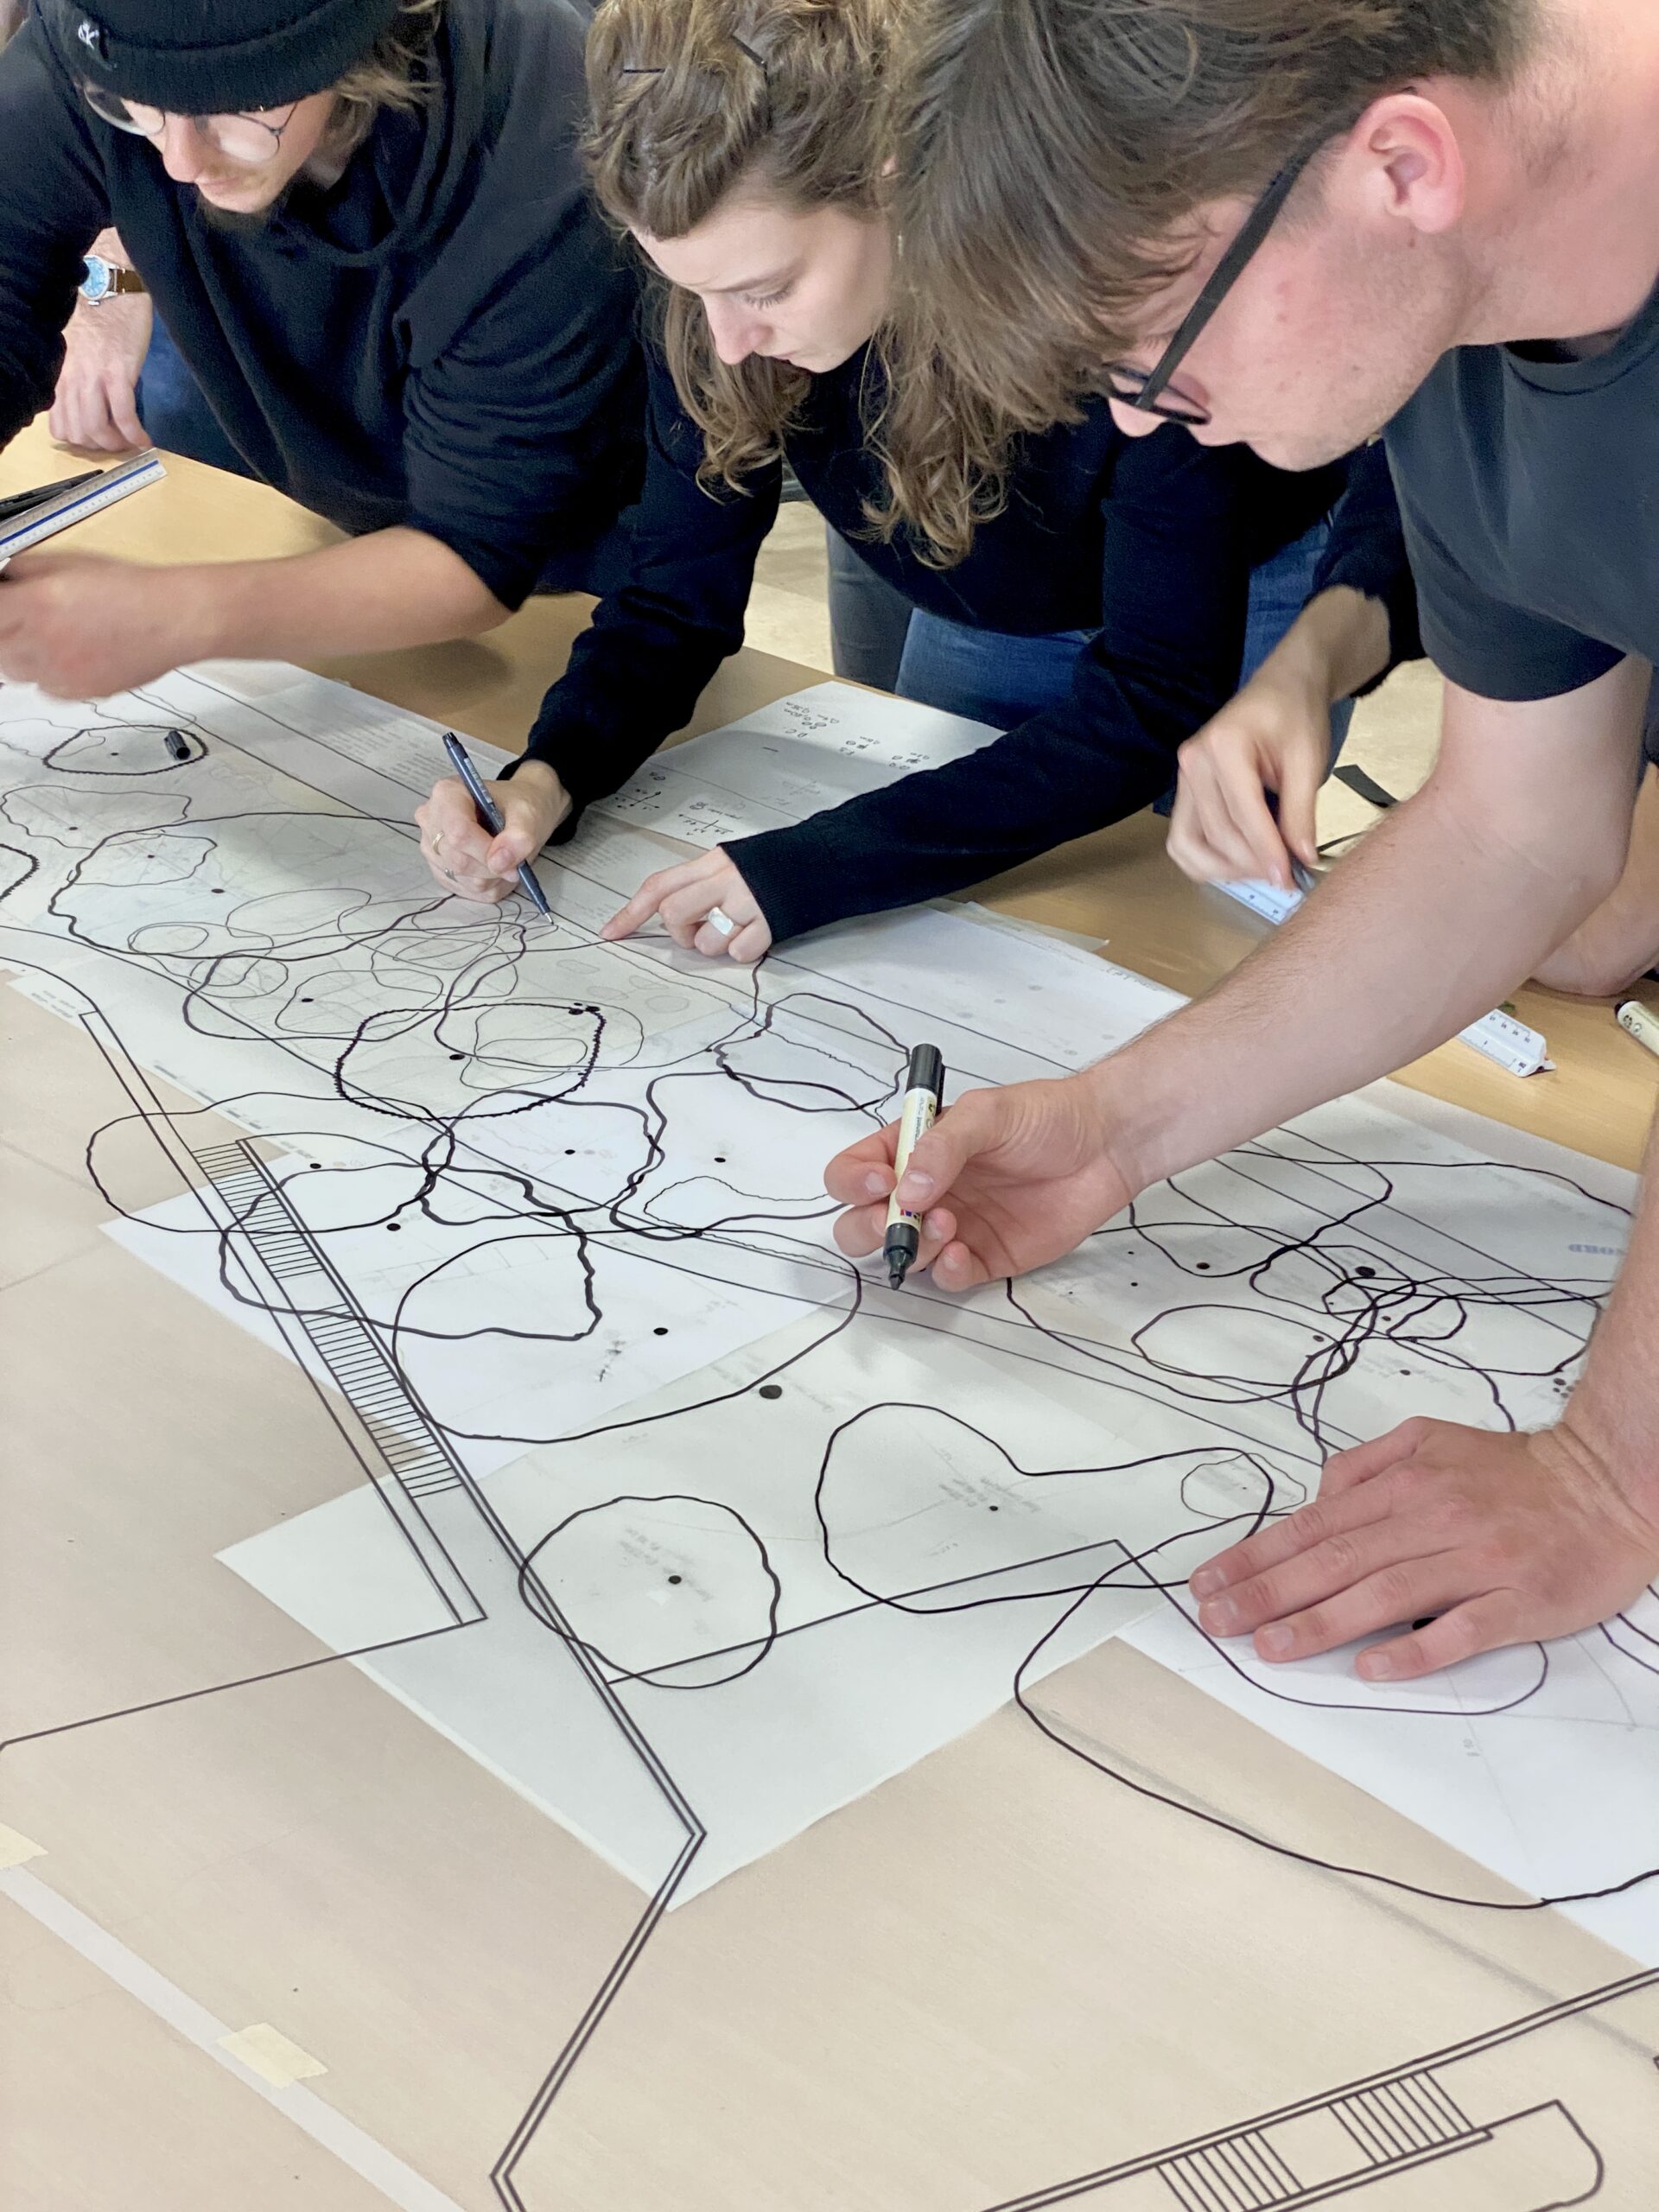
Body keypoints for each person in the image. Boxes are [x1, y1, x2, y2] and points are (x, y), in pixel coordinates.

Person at [826, 0, 1659, 1681]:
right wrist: (1111, 1128)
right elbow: (1512, 829)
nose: (1144, 429)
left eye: (1157, 358)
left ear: (1399, 163)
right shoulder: (1460, 306)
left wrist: (1615, 1471)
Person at [414, 0, 1414, 952]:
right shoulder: (720, 291)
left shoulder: (1103, 307)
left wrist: (814, 867)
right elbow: (675, 599)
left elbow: (1153, 696)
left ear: (894, 185)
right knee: (970, 897)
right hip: (980, 578)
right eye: (692, 290)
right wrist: (552, 771)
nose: (727, 340)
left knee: (1170, 917)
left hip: (1233, 574)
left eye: (767, 289)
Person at [0, 0, 642, 699]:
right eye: (139, 107)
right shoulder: (105, 40)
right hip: (346, 514)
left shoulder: (542, 144)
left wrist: (178, 616)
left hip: (582, 559)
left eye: (234, 108)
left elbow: (477, 550)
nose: (181, 161)